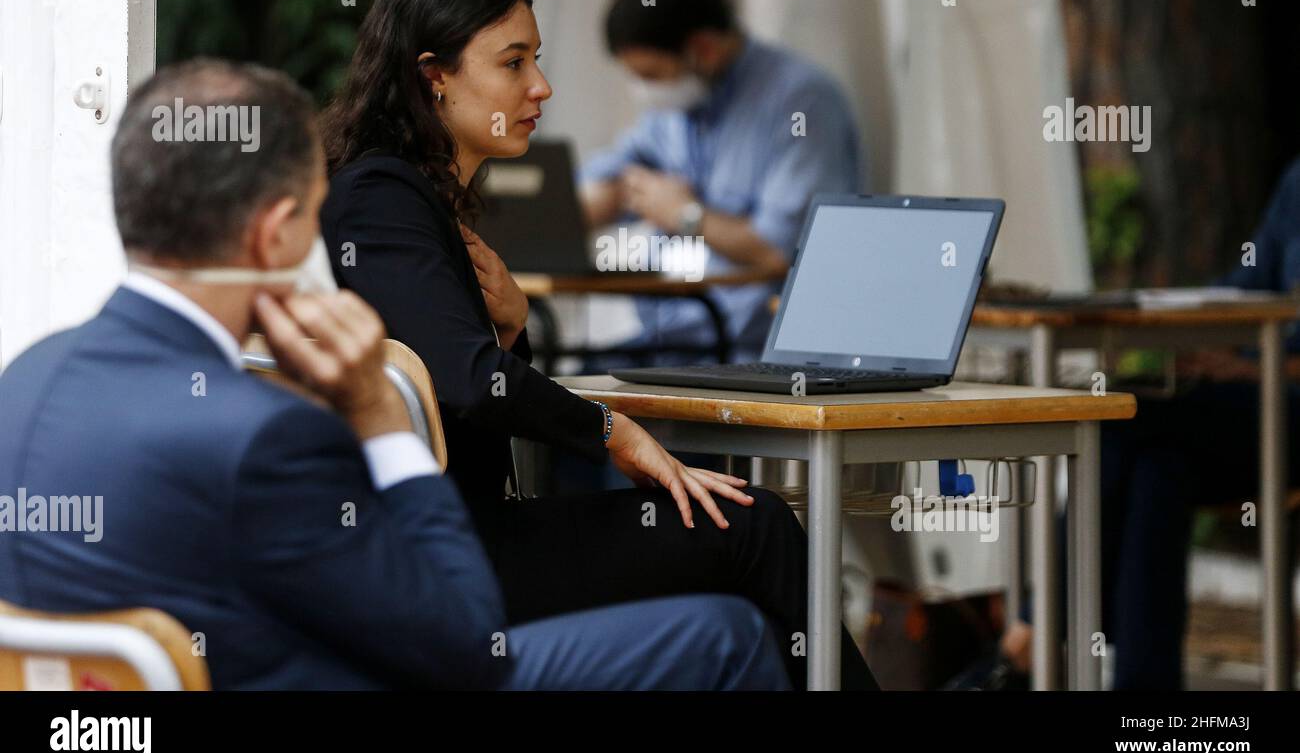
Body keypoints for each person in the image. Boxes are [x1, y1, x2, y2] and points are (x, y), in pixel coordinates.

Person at [0, 58, 790, 691]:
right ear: (277, 234)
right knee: (721, 636)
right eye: (314, 217)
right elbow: (462, 644)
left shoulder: (23, 381)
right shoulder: (269, 435)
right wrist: (382, 421)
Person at [319, 0, 879, 690]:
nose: (540, 88)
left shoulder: (405, 197)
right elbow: (465, 381)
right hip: (450, 560)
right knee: (755, 528)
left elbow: (448, 377)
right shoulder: (382, 201)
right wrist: (612, 430)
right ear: (435, 76)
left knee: (741, 540)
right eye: (513, 63)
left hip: (470, 541)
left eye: (536, 61)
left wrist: (511, 330)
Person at [961, 158, 1300, 691]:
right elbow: (1245, 286)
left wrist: (1261, 366)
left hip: (1286, 408)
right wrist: (1192, 330)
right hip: (1251, 404)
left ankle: (1027, 641)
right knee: (1155, 467)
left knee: (1118, 426)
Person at [578, 0, 864, 362]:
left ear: (705, 50)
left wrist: (686, 215)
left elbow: (781, 251)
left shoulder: (801, 104)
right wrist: (576, 207)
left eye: (651, 77)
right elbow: (608, 178)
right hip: (667, 342)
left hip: (752, 355)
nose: (644, 92)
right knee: (561, 393)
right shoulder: (675, 109)